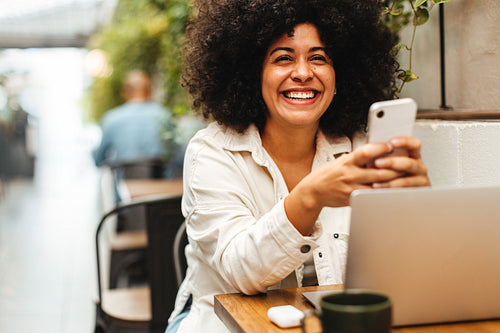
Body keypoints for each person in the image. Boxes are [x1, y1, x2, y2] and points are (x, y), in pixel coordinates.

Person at [166, 0, 431, 332]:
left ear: (340, 75)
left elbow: (404, 266)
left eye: (319, 58)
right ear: (252, 73)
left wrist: (418, 206)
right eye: (283, 58)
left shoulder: (363, 146)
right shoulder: (212, 152)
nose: (304, 73)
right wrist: (310, 196)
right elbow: (241, 272)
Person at [93, 70, 173, 168]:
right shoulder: (165, 116)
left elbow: (99, 159)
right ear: (150, 90)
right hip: (162, 181)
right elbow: (178, 156)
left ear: (125, 91)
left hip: (124, 181)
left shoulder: (112, 118)